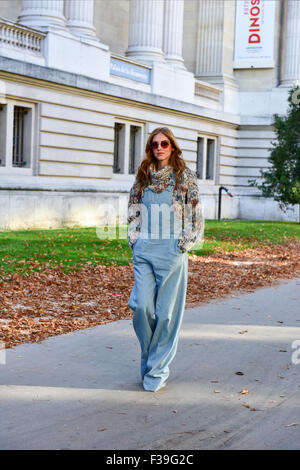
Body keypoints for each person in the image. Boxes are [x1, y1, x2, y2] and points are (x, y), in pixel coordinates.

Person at [127, 127, 204, 392]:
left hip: (172, 250)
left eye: (164, 144)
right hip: (145, 249)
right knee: (141, 308)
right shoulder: (142, 177)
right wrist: (134, 240)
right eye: (154, 144)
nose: (159, 148)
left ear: (172, 147)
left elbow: (195, 217)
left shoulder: (185, 177)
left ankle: (156, 369)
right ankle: (151, 360)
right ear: (150, 148)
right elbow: (133, 210)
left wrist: (183, 244)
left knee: (167, 315)